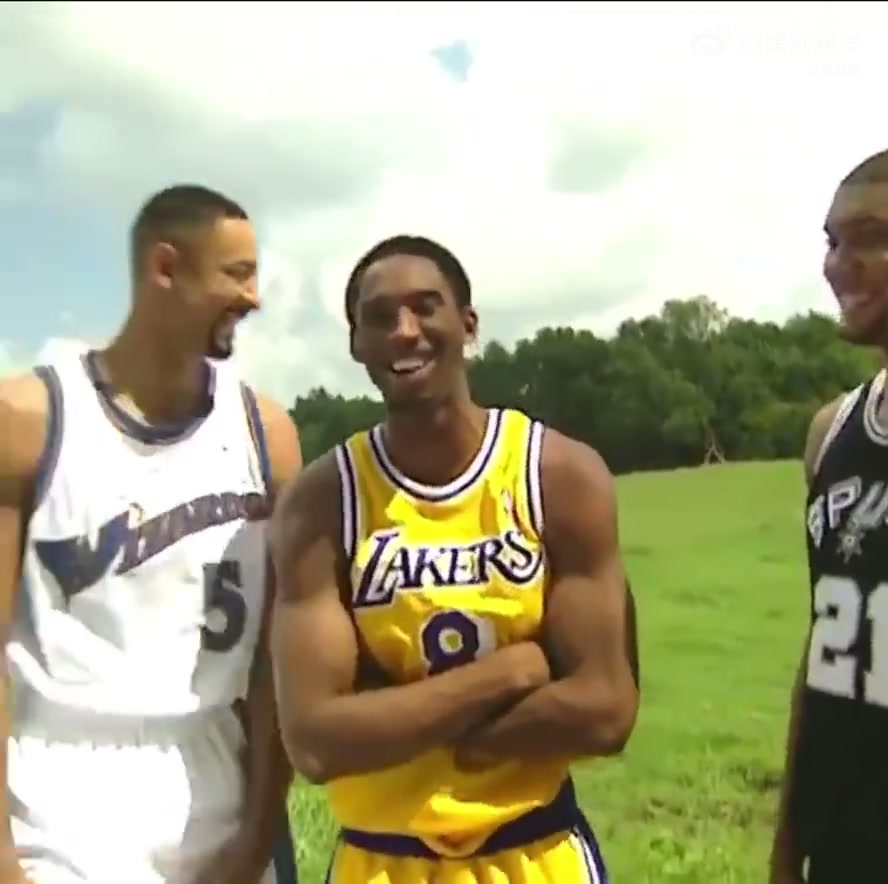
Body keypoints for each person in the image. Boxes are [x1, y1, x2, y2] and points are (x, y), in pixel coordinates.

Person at [270, 234, 639, 884]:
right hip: (381, 859)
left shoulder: (557, 474)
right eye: (379, 317)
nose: (404, 331)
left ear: (468, 324)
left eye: (425, 307)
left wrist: (398, 723)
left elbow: (605, 709)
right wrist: (510, 674)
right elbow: (315, 742)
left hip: (533, 849)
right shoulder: (323, 502)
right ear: (356, 343)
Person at [0, 185, 301, 884]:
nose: (253, 297)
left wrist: (258, 832)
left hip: (214, 767)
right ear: (165, 267)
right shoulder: (31, 418)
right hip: (61, 786)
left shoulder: (267, 433)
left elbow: (274, 665)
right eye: (237, 274)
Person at [769, 148, 888, 884]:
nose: (839, 265)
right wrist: (788, 847)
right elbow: (824, 646)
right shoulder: (831, 431)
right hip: (844, 847)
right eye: (832, 241)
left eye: (870, 238)